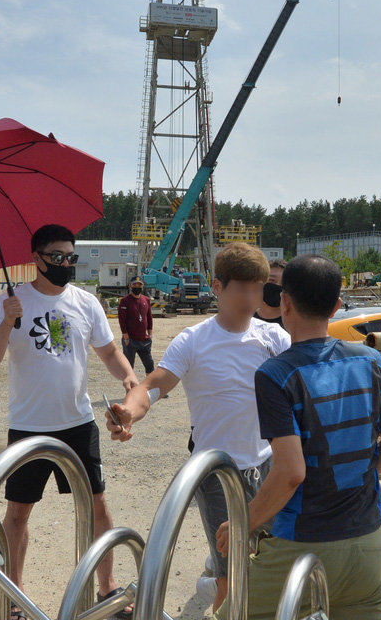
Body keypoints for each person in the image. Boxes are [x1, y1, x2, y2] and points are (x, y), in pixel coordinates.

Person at [215, 254, 381, 620]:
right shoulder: (372, 361)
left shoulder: (275, 374)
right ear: (337, 306)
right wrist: (359, 470)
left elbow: (291, 472)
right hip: (368, 545)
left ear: (285, 303)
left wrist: (243, 522)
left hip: (300, 547)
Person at [106, 242, 291, 611]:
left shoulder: (274, 338)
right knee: (229, 575)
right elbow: (153, 386)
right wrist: (128, 412)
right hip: (218, 474)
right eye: (242, 289)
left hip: (268, 466)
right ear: (217, 287)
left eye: (257, 289)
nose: (251, 299)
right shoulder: (193, 341)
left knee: (272, 562)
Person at [0, 224, 139, 620]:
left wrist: (128, 378)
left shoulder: (86, 302)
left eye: (71, 257)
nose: (66, 263)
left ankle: (107, 586)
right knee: (18, 513)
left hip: (78, 423)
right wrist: (6, 322)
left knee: (97, 505)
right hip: (28, 426)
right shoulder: (10, 302)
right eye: (58, 257)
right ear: (37, 258)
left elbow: (109, 351)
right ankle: (14, 596)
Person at [118, 276, 154, 376]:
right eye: (135, 285)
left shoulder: (146, 300)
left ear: (143, 286)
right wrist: (125, 336)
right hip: (130, 340)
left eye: (139, 285)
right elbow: (121, 320)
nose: (137, 287)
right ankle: (130, 385)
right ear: (130, 286)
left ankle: (149, 385)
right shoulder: (125, 301)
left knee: (150, 365)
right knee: (128, 367)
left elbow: (149, 317)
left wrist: (150, 334)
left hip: (144, 340)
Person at [253, 259, 286, 327]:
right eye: (271, 280)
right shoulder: (246, 318)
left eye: (284, 283)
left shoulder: (294, 324)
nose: (278, 285)